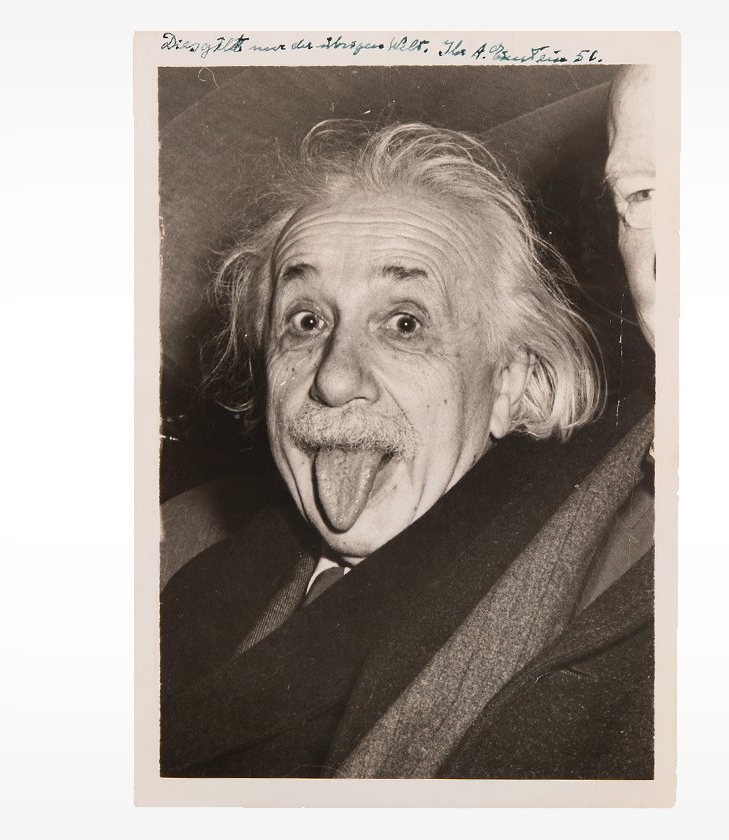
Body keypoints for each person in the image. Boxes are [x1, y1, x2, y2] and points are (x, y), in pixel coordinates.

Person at [160, 117, 656, 779]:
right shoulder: (187, 579)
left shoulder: (580, 614)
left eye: (404, 323)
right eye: (305, 321)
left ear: (512, 382)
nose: (334, 378)